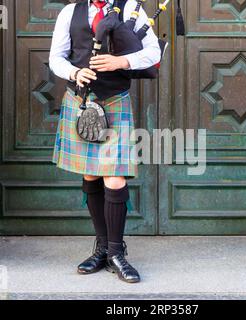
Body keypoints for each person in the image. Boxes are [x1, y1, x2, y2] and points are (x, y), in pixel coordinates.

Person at [49, 0, 161, 283]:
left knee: (114, 178)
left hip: (114, 100)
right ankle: (101, 248)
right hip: (80, 101)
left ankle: (116, 252)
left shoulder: (132, 8)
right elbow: (56, 58)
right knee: (90, 174)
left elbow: (153, 53)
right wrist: (75, 72)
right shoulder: (69, 12)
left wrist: (121, 61)